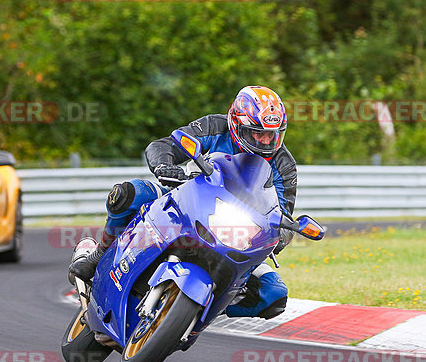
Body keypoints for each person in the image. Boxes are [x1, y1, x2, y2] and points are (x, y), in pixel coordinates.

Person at [69, 85, 297, 319]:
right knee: (129, 193)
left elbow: (282, 212)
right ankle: (99, 256)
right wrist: (164, 167)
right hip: (186, 203)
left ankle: (199, 310)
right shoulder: (215, 127)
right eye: (257, 132)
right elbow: (163, 145)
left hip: (236, 234)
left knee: (274, 294)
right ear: (237, 124)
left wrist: (281, 234)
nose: (265, 141)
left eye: (273, 134)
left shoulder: (284, 164)